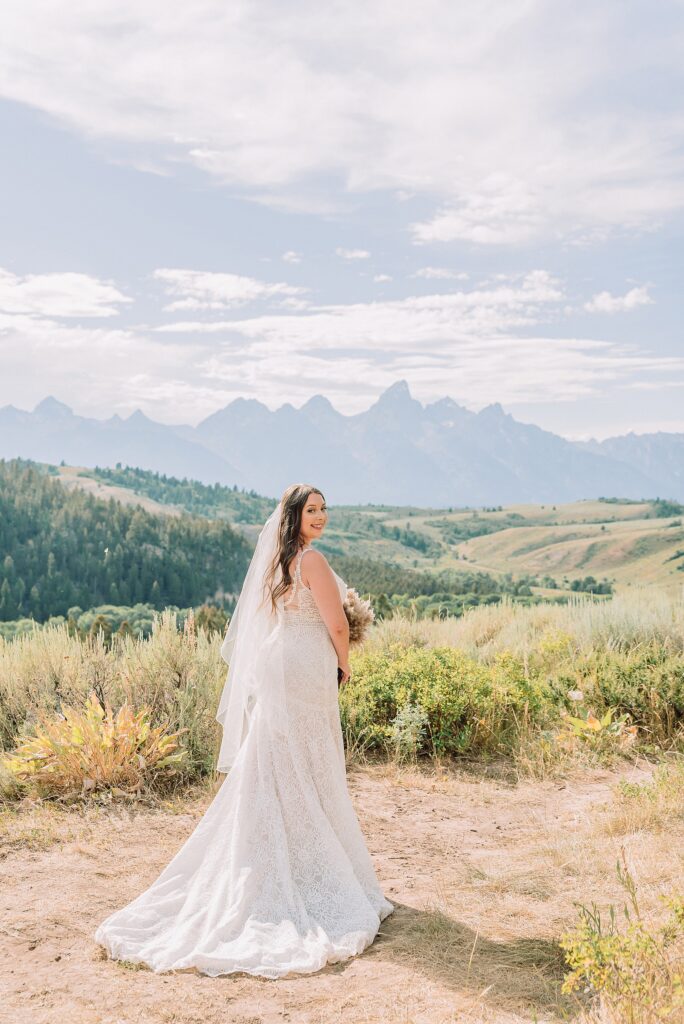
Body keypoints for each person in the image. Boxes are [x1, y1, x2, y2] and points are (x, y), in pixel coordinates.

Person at [94, 483, 394, 978]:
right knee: (310, 754)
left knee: (277, 754)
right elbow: (336, 624)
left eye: (324, 509)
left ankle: (276, 857)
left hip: (280, 662)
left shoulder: (279, 561)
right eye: (311, 510)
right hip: (305, 665)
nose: (320, 517)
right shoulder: (312, 561)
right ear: (294, 516)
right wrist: (344, 663)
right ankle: (308, 863)